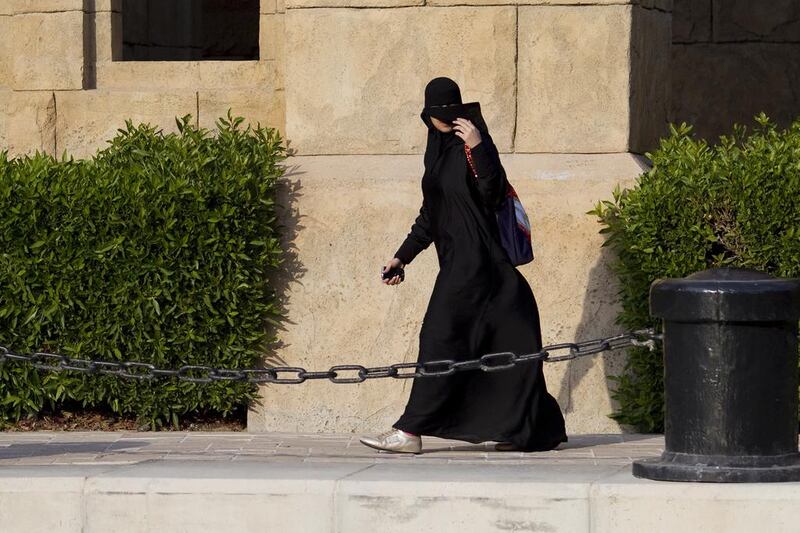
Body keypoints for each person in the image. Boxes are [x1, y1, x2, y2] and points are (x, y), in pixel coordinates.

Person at [359, 77, 568, 454]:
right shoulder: (436, 155)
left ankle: (409, 432)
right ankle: (536, 430)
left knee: (439, 339)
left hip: (483, 267)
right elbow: (430, 216)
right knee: (507, 349)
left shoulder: (473, 148)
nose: (441, 118)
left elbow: (493, 191)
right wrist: (401, 256)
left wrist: (478, 146)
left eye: (447, 110)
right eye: (435, 112)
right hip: (461, 268)